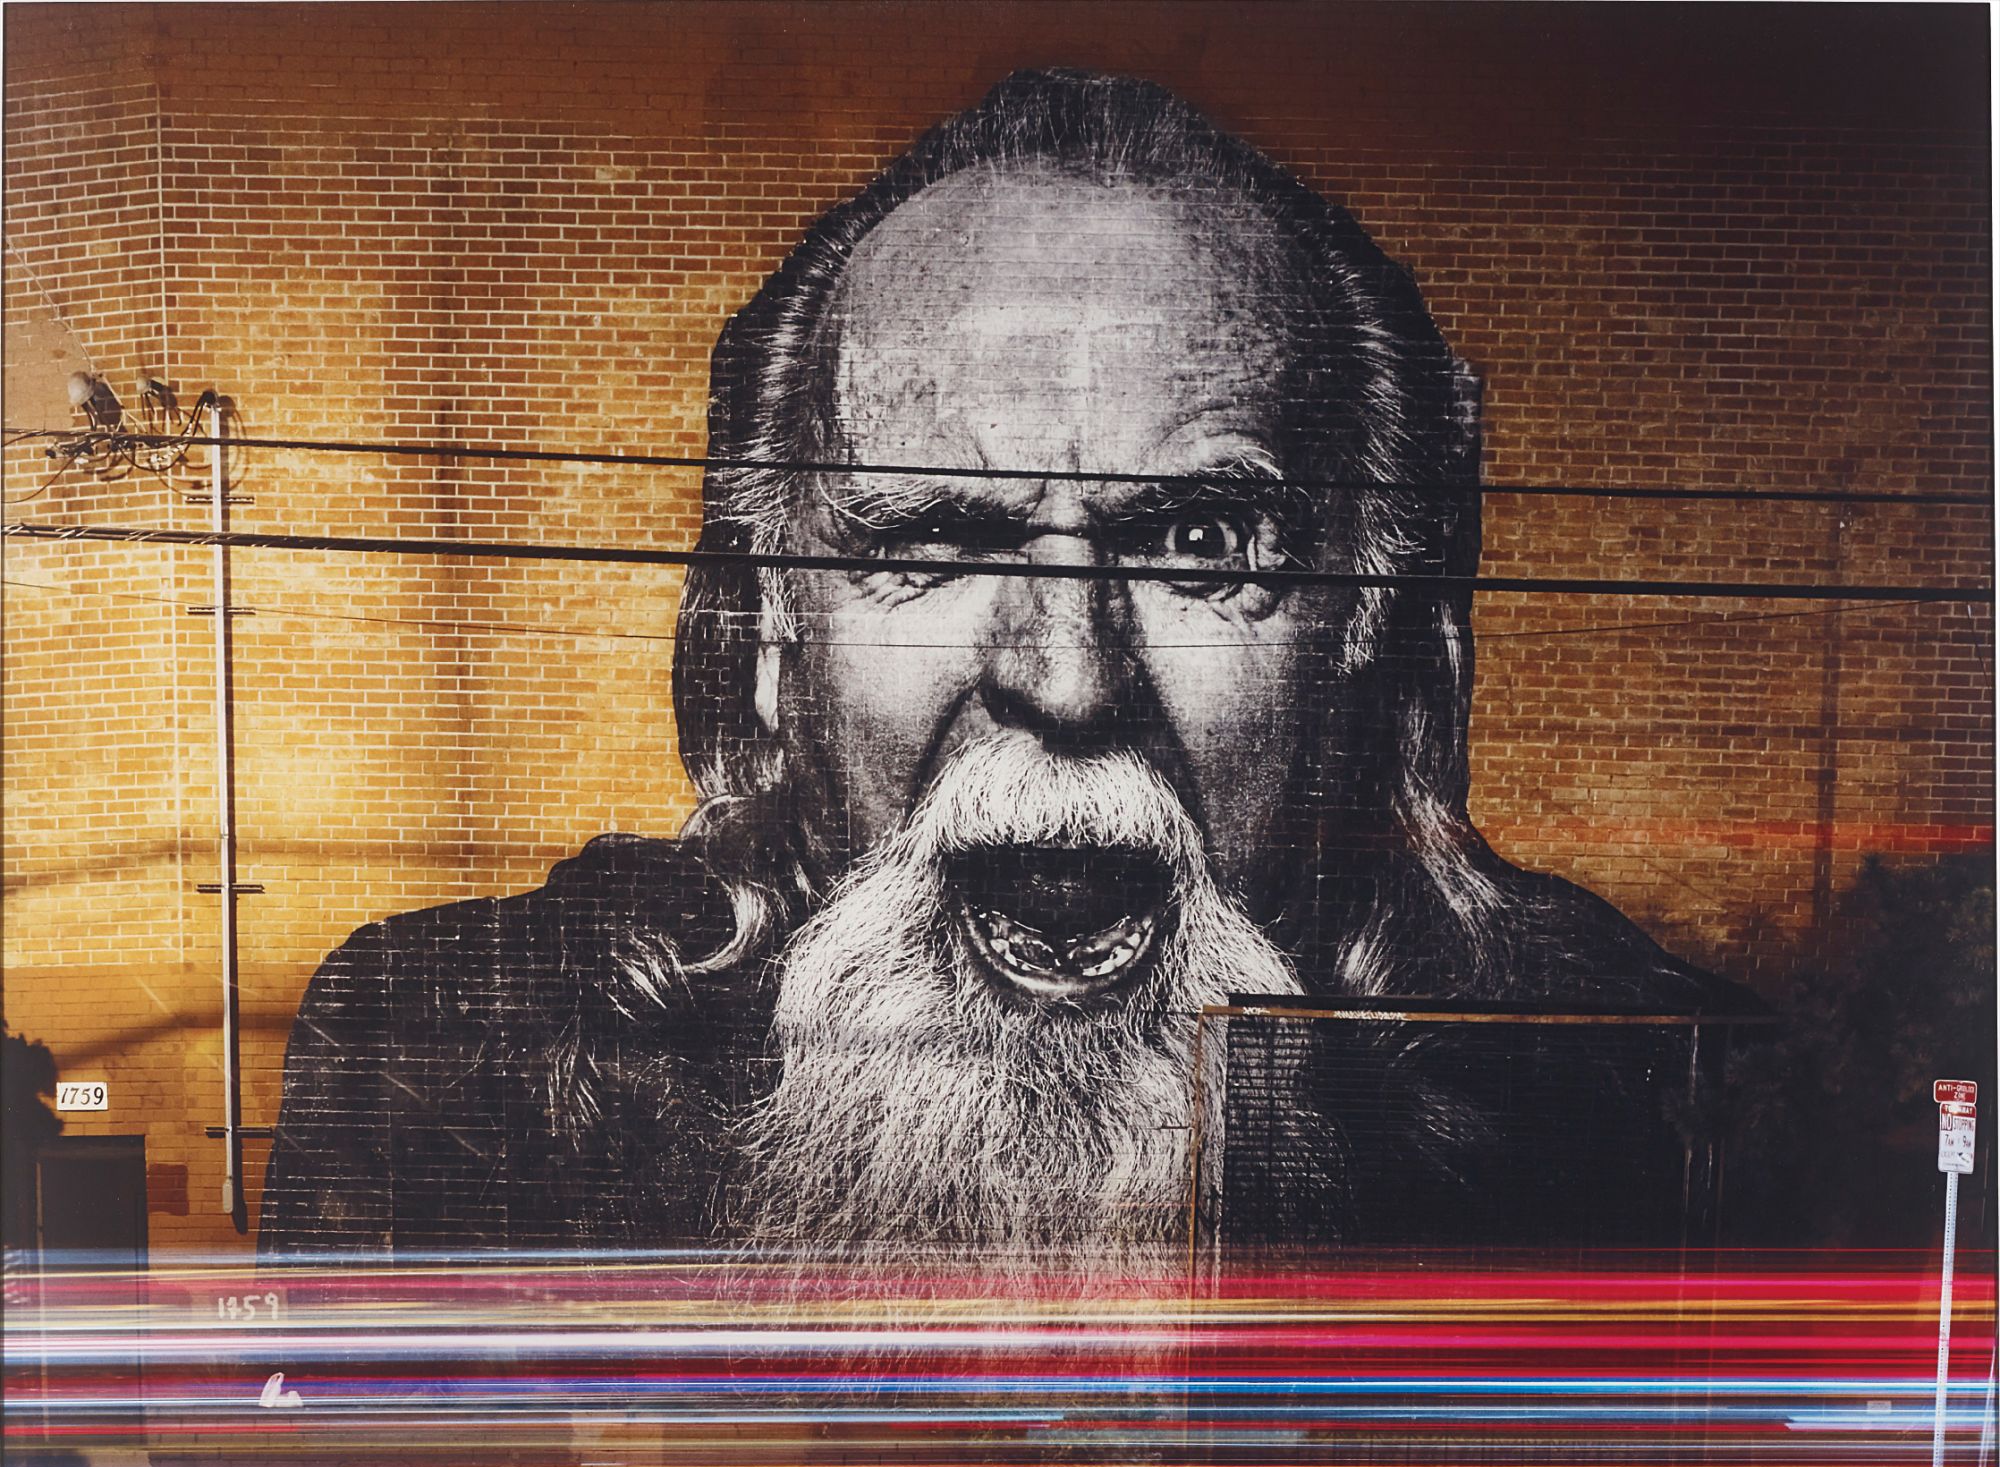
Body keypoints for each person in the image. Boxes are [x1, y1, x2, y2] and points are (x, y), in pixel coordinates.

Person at [261, 66, 1754, 1263]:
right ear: (780, 624)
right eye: (938, 535)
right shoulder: (456, 1056)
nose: (1066, 675)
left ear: (1359, 629)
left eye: (1196, 543)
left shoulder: (1634, 1093)